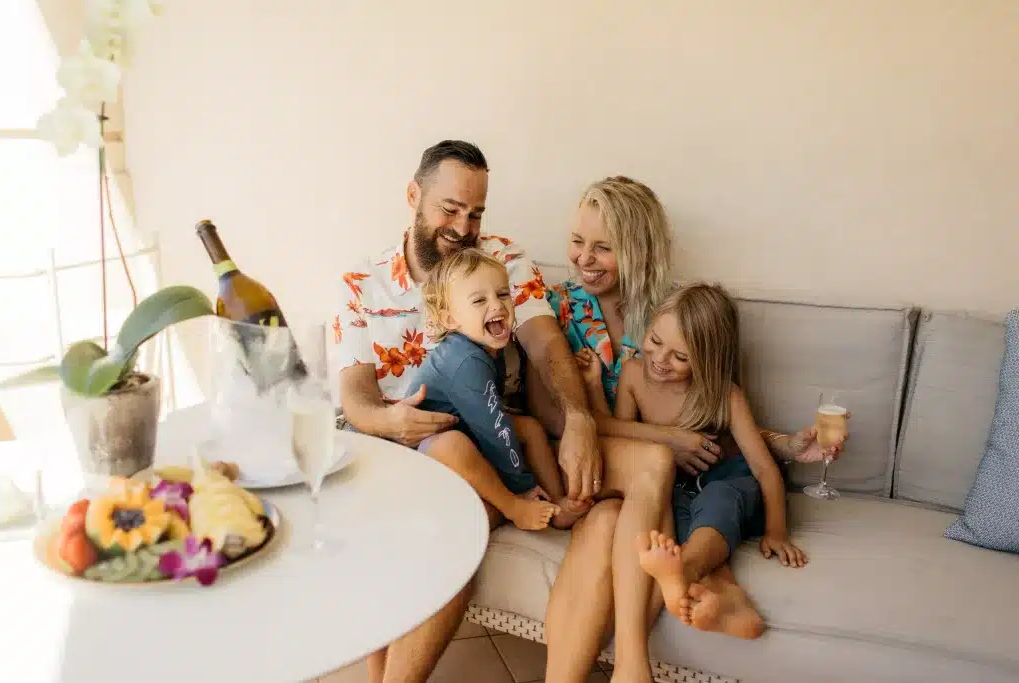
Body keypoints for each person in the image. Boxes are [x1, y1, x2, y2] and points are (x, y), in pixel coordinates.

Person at [333, 141, 670, 683]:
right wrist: (391, 422)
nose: (464, 226)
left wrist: (580, 418)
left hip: (492, 439)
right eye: (450, 209)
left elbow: (545, 346)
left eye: (476, 213)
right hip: (410, 451)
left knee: (643, 467)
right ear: (414, 196)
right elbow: (356, 398)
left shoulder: (504, 260)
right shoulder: (362, 284)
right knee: (445, 506)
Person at [529, 176, 848, 682]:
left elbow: (710, 417)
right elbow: (552, 415)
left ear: (637, 250)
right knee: (653, 470)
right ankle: (634, 664)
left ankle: (617, 663)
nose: (583, 258)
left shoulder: (671, 311)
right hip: (593, 453)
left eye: (603, 247)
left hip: (653, 480)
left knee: (617, 523)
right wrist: (667, 441)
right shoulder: (551, 308)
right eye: (576, 241)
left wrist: (783, 444)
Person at [583, 282, 807, 641]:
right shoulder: (633, 375)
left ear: (707, 360)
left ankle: (682, 571)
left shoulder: (724, 395)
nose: (659, 359)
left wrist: (777, 531)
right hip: (678, 487)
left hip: (729, 482)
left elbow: (763, 467)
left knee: (717, 502)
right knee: (674, 511)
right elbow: (619, 433)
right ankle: (730, 599)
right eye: (655, 341)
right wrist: (595, 388)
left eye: (680, 356)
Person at [405, 247, 587, 530]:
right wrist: (523, 487)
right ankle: (513, 505)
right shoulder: (465, 360)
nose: (497, 305)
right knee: (453, 445)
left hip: (463, 429)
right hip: (424, 456)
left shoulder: (487, 344)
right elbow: (495, 431)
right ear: (450, 319)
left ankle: (556, 499)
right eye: (479, 300)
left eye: (502, 294)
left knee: (528, 427)